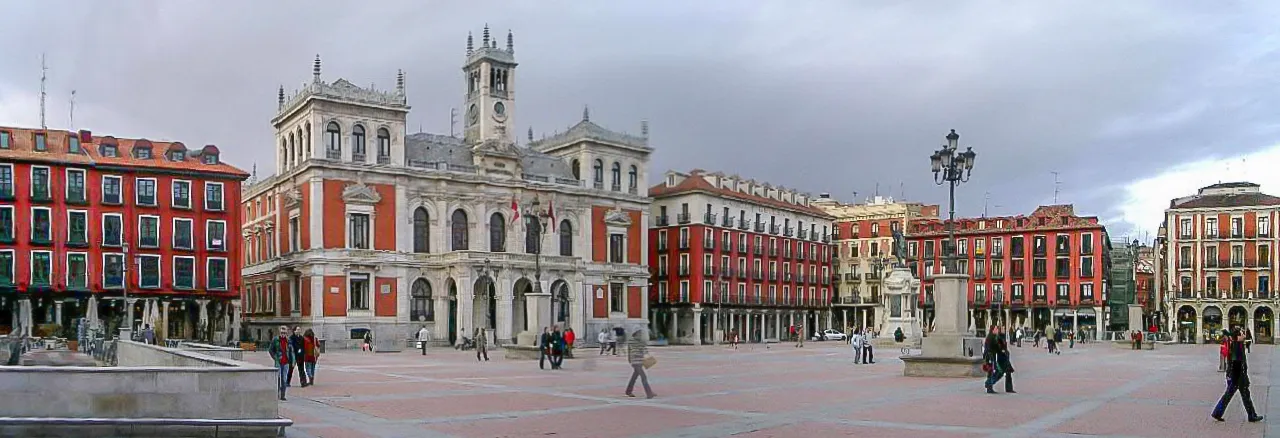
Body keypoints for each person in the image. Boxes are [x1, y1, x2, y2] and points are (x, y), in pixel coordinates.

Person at [1212, 328, 1263, 423]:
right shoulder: (1237, 346)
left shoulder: (1237, 345)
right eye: (1242, 333)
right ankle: (1251, 416)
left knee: (1233, 396)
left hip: (1236, 376)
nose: (1244, 335)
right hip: (1238, 377)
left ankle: (1217, 413)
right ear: (1238, 336)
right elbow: (1237, 363)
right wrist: (1240, 379)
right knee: (1242, 396)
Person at [983, 326, 1015, 394]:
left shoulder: (998, 337)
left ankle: (1008, 388)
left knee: (1006, 371)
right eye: (997, 329)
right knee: (993, 372)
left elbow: (1001, 346)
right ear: (993, 330)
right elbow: (995, 347)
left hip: (1000, 357)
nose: (999, 330)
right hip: (992, 357)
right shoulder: (992, 337)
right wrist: (1001, 351)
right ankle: (989, 385)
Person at [624, 329, 656, 399]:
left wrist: (630, 360)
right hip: (636, 362)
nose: (641, 335)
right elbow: (630, 352)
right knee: (644, 377)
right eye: (639, 333)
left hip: (638, 361)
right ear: (635, 334)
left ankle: (628, 391)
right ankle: (649, 393)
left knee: (634, 377)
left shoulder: (638, 341)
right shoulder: (635, 341)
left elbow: (644, 350)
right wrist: (630, 359)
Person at [267, 325, 292, 401]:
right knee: (278, 378)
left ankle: (283, 395)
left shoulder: (288, 340)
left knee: (284, 379)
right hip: (278, 362)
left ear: (286, 332)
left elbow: (291, 351)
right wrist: (275, 358)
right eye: (282, 332)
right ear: (279, 332)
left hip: (286, 362)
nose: (283, 334)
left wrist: (292, 360)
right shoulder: (276, 340)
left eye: (284, 332)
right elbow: (270, 350)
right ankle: (277, 393)